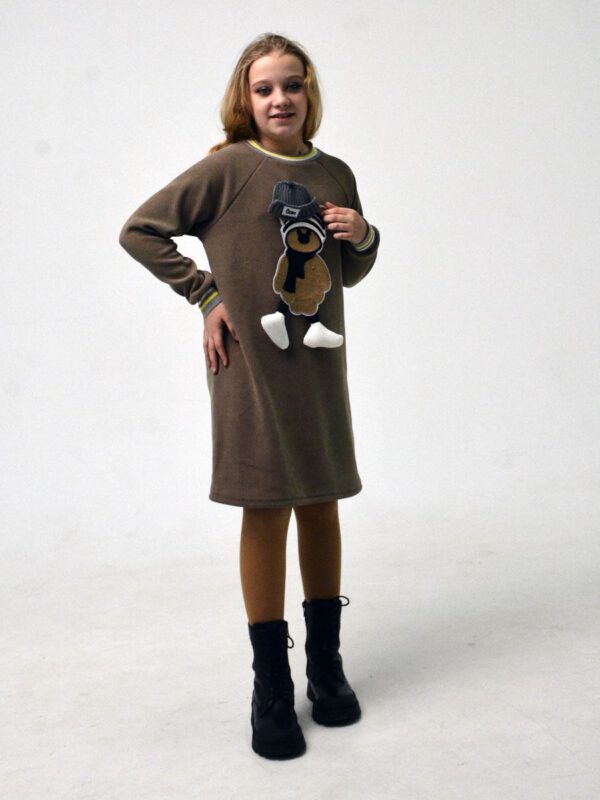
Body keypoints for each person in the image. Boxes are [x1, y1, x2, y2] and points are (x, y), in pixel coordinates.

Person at [118, 32, 381, 760]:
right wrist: (205, 295)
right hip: (252, 368)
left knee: (321, 502)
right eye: (264, 89)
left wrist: (363, 234)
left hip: (317, 366)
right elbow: (140, 231)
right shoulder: (229, 169)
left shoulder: (334, 172)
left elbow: (349, 270)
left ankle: (325, 667)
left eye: (292, 85)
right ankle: (271, 683)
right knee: (265, 506)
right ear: (246, 99)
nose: (280, 99)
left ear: (309, 92)